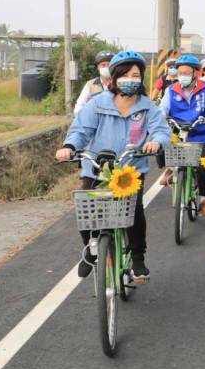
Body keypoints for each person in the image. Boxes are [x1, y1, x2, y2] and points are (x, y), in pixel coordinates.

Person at [56, 51, 170, 278]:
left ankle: (138, 257)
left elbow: (161, 131)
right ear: (115, 77)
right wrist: (69, 146)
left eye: (135, 75)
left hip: (130, 170)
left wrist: (156, 142)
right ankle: (90, 249)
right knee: (86, 209)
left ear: (141, 79)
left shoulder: (147, 108)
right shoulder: (97, 104)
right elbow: (80, 130)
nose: (130, 79)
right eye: (125, 74)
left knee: (134, 213)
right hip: (96, 168)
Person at [158, 55, 205, 217]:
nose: (182, 76)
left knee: (203, 167)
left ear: (196, 73)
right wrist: (159, 118)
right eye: (180, 72)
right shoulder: (170, 89)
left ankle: (204, 200)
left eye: (186, 72)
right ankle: (170, 170)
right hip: (177, 132)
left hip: (200, 133)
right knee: (160, 144)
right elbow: (163, 107)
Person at [73, 50, 115, 115]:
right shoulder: (90, 85)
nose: (106, 68)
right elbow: (79, 106)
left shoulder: (120, 84)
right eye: (103, 65)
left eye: (109, 65)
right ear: (97, 67)